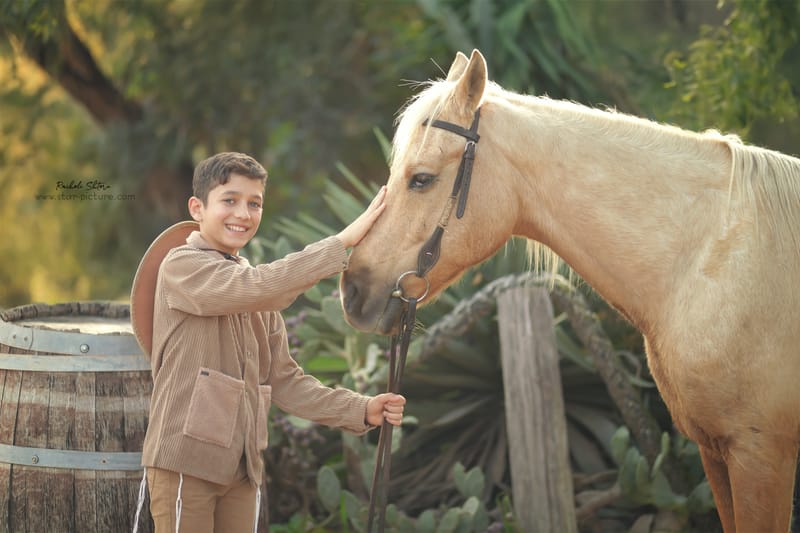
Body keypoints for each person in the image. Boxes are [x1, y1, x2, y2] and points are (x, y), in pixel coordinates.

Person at [130, 151, 404, 533]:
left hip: (243, 470)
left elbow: (285, 381)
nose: (243, 214)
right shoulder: (181, 266)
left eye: (254, 204)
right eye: (229, 200)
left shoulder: (257, 295)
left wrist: (361, 409)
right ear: (197, 207)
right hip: (184, 465)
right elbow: (255, 286)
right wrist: (341, 243)